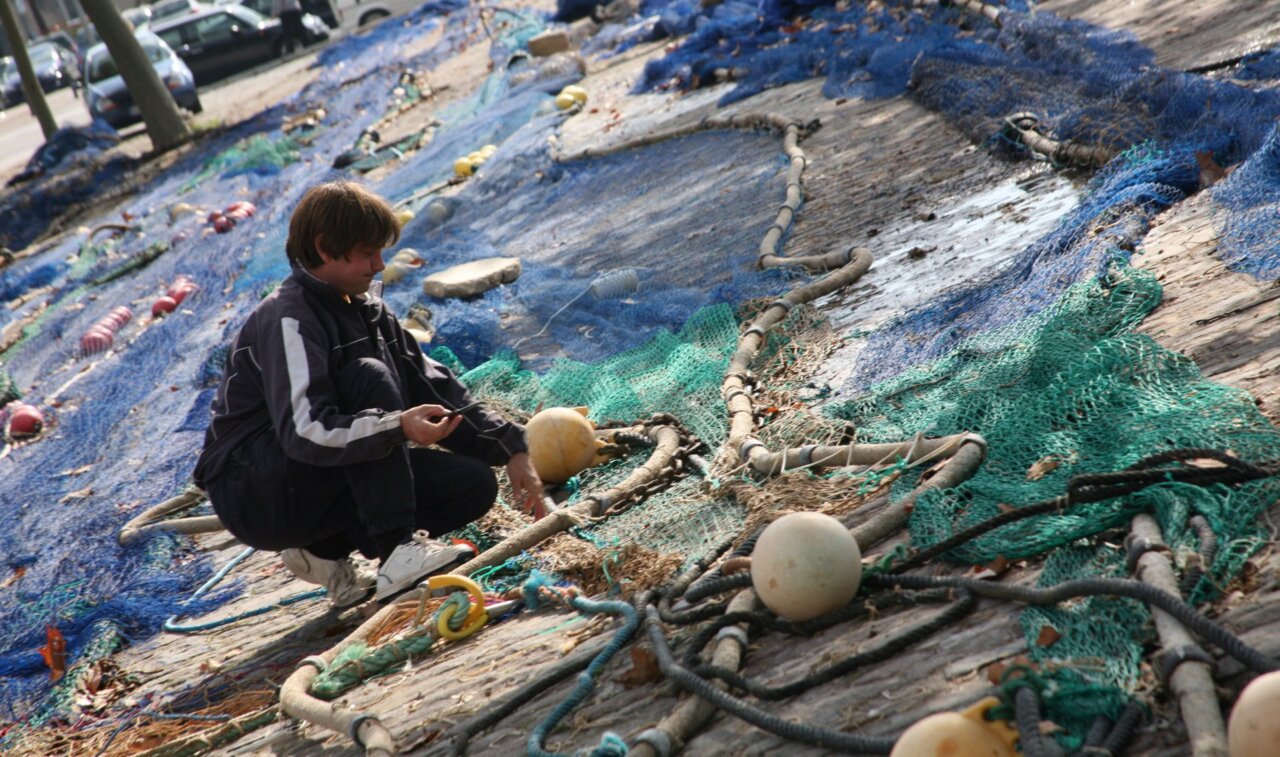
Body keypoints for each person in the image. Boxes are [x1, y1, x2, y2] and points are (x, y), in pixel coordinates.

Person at [192, 181, 544, 607]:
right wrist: (396, 426)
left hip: (314, 474)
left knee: (472, 485)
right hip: (256, 488)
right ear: (324, 248)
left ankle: (321, 550)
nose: (379, 265)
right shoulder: (290, 319)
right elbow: (305, 431)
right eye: (367, 253)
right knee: (368, 376)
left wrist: (511, 446)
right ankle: (398, 553)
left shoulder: (370, 312)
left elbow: (432, 386)